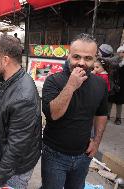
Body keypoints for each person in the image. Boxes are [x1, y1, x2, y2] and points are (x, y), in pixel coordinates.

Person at [41, 33, 108, 189]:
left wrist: (96, 142)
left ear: (95, 59)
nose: (81, 63)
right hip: (54, 155)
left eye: (88, 58)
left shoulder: (100, 83)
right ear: (69, 56)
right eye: (76, 57)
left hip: (84, 155)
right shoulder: (53, 81)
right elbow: (53, 115)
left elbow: (101, 114)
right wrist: (71, 85)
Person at [0, 35, 41, 189]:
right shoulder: (12, 78)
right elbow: (9, 99)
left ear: (6, 60)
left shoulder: (23, 98)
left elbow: (16, 147)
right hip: (11, 165)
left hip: (15, 170)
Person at [106, 45, 124, 125]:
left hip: (122, 84)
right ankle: (107, 115)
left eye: (122, 52)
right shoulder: (115, 60)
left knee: (119, 102)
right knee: (110, 100)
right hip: (113, 83)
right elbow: (111, 65)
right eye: (120, 52)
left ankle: (118, 118)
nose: (121, 54)